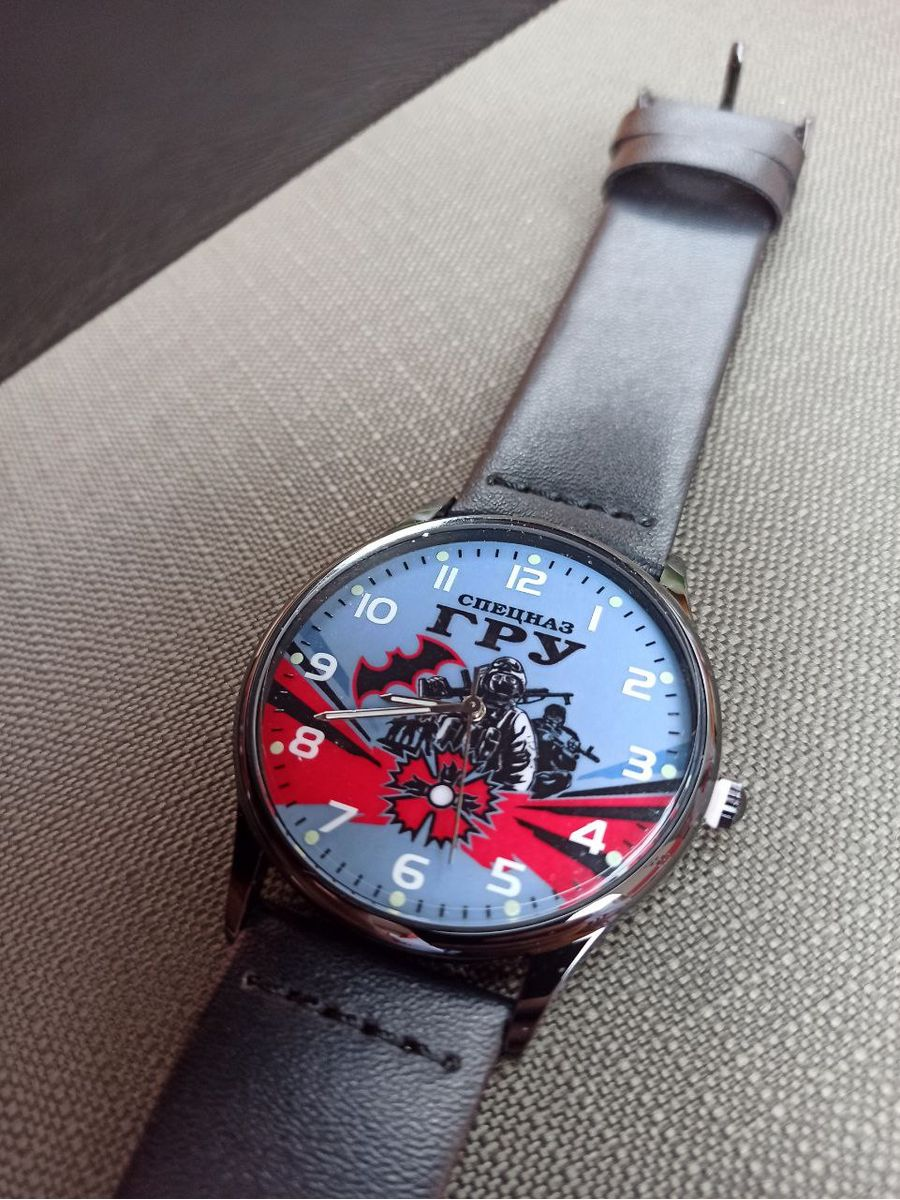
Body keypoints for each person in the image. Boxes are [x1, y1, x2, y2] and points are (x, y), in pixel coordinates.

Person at [532, 702, 580, 797]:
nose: (553, 722)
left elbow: (571, 766)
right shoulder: (533, 726)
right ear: (544, 717)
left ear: (562, 721)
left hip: (554, 774)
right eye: (550, 717)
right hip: (531, 771)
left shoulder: (568, 735)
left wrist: (565, 750)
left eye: (557, 719)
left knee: (565, 777)